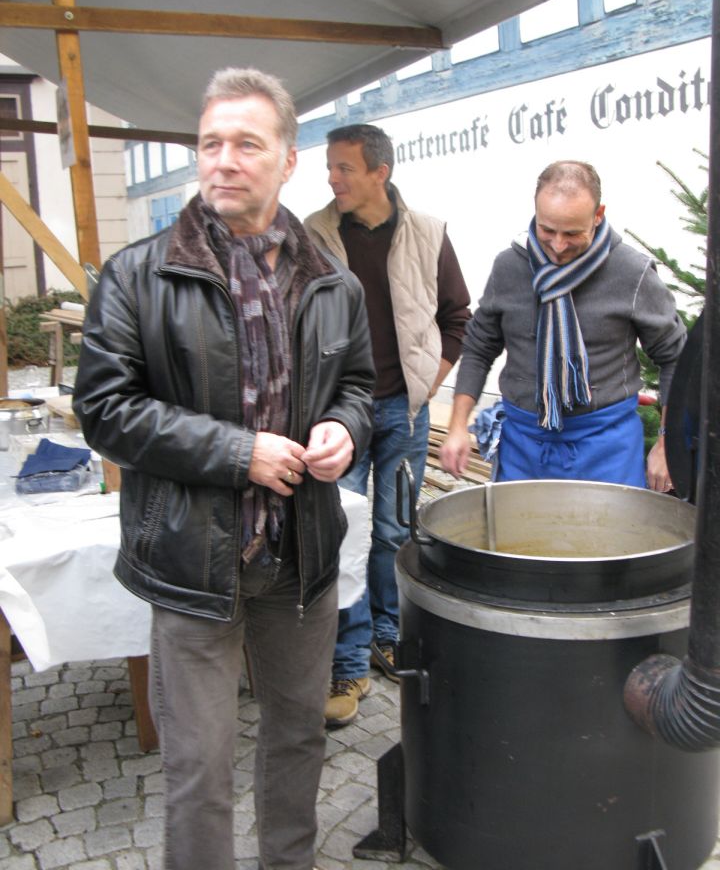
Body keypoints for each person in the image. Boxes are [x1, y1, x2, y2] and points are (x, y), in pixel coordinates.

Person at [72, 68, 375, 870]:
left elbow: (359, 386)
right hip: (192, 559)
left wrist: (343, 429)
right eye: (211, 143)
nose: (224, 160)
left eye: (247, 143)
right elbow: (104, 410)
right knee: (198, 764)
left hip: (300, 556)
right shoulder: (138, 275)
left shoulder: (333, 281)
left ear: (289, 161)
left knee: (298, 738)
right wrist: (240, 454)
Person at [305, 124, 471, 727]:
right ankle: (346, 663)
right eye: (330, 167)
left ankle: (388, 635)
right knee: (343, 535)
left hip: (405, 409)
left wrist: (429, 380)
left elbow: (458, 316)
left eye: (344, 167)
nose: (332, 178)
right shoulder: (312, 235)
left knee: (395, 530)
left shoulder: (428, 232)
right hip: (338, 416)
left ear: (380, 172)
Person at [440, 160, 686, 491]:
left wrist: (667, 444)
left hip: (607, 448)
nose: (558, 245)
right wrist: (457, 425)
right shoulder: (509, 268)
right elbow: (478, 347)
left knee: (609, 529)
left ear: (598, 215)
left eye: (571, 233)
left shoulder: (632, 272)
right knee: (520, 528)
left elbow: (676, 358)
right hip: (523, 447)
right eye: (547, 230)